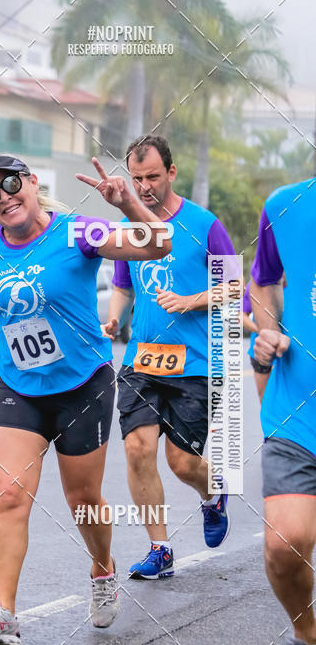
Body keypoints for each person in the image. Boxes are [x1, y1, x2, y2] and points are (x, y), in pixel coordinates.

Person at [0, 154, 171, 645]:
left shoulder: (76, 233)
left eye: (12, 184)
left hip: (83, 385)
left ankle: (102, 569)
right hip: (20, 387)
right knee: (9, 497)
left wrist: (127, 201)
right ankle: (3, 613)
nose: (4, 197)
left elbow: (158, 245)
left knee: (82, 501)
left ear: (33, 183)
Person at [104, 134, 239, 580]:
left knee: (182, 462)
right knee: (138, 449)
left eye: (153, 177)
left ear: (172, 173)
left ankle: (213, 490)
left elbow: (237, 288)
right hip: (142, 360)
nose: (144, 186)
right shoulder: (132, 226)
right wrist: (114, 318)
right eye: (137, 178)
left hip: (197, 364)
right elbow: (122, 283)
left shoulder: (203, 225)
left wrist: (192, 300)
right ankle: (159, 547)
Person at [250, 179, 316, 645]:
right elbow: (264, 283)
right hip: (298, 411)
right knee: (283, 544)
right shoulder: (286, 206)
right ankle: (305, 638)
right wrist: (268, 329)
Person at [243, 280, 270, 403]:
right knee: (265, 401)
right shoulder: (255, 283)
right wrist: (263, 331)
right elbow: (241, 316)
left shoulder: (299, 279)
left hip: (292, 353)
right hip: (260, 351)